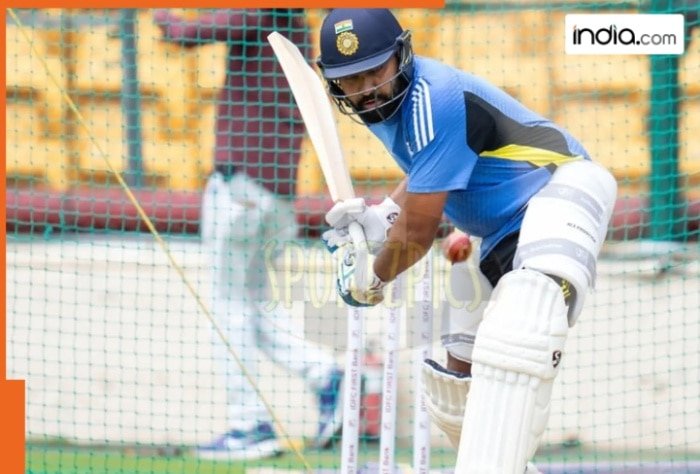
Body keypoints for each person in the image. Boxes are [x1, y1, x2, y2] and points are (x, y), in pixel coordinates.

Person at [317, 8, 617, 473]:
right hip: (502, 231)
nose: (365, 89)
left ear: (401, 56)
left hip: (563, 188)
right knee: (458, 383)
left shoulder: (434, 98)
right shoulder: (385, 106)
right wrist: (382, 218)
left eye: (374, 70)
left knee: (525, 321)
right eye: (350, 80)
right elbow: (426, 174)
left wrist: (370, 278)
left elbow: (416, 237)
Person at [153, 8, 343, 461]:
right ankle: (327, 376)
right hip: (278, 198)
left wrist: (160, 14)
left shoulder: (263, 13)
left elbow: (186, 32)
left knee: (228, 307)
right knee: (255, 307)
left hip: (241, 190)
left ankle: (248, 424)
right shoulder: (295, 28)